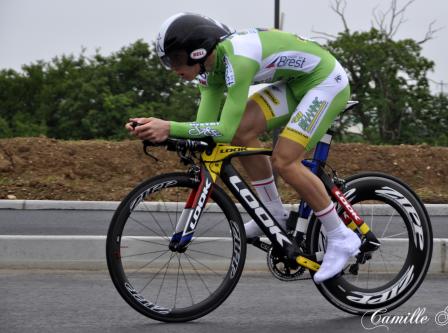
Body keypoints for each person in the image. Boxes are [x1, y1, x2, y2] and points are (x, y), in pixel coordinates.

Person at [126, 13, 361, 283]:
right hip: (296, 84)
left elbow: (220, 130)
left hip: (324, 82)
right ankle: (273, 211)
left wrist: (168, 127)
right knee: (241, 132)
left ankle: (340, 235)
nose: (173, 68)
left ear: (199, 51)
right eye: (167, 61)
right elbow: (207, 130)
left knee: (285, 160)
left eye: (176, 59)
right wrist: (160, 133)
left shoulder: (237, 60)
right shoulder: (209, 71)